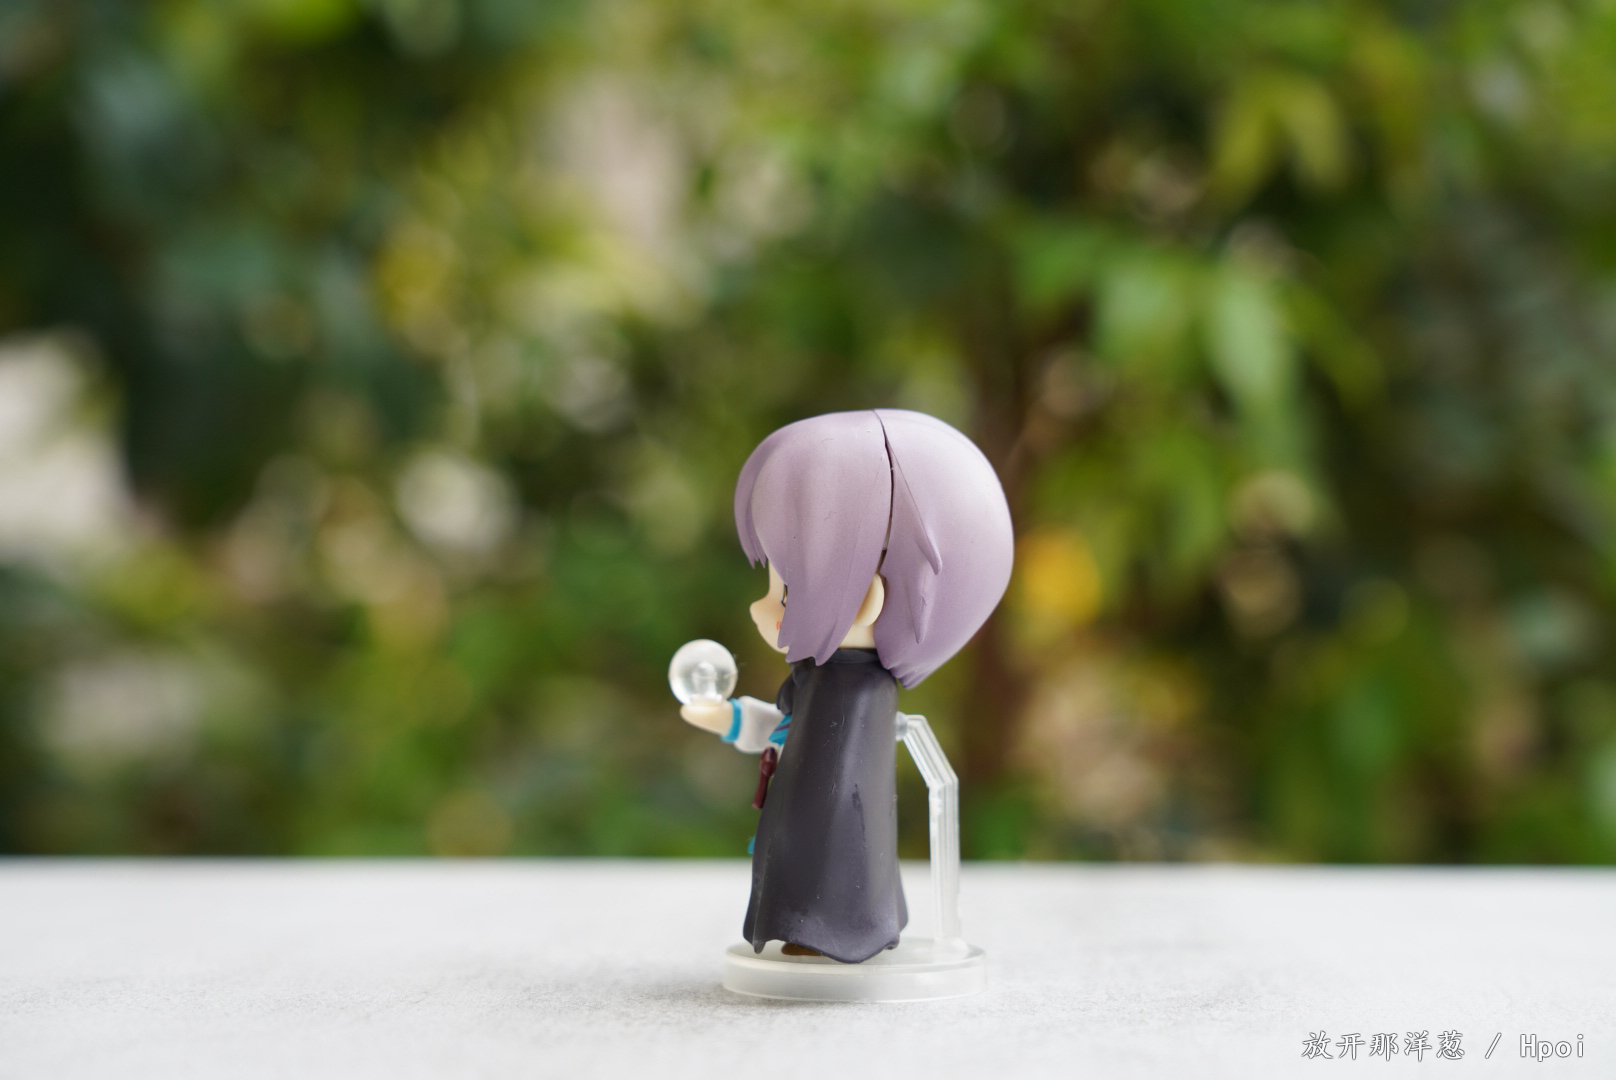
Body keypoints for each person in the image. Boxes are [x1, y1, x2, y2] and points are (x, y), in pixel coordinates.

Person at [679, 409, 1013, 963]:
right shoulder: (819, 678)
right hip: (800, 833)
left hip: (827, 848)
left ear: (865, 600)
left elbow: (827, 779)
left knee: (835, 862)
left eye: (787, 592)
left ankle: (829, 928)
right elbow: (789, 730)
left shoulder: (857, 694)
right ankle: (817, 922)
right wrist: (729, 719)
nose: (762, 609)